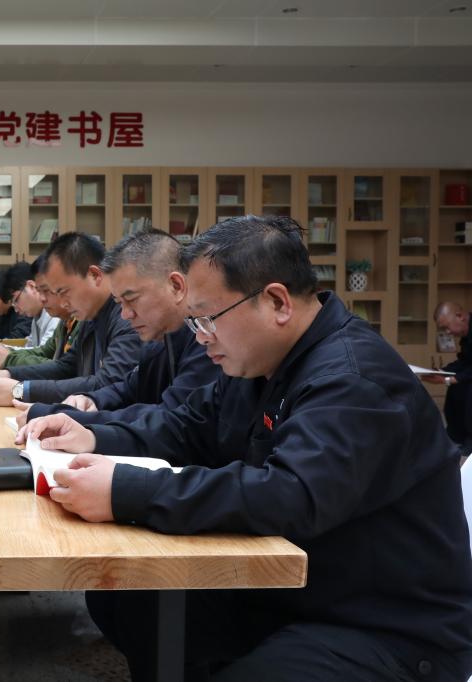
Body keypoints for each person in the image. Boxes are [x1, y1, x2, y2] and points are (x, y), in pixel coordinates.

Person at [24, 215, 472, 682]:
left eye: (207, 318)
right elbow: (185, 424)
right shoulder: (260, 362)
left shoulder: (353, 379)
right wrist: (91, 433)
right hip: (299, 589)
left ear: (277, 301)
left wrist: (127, 490)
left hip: (384, 625)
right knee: (133, 598)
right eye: (193, 321)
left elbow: (288, 494)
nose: (200, 335)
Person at [16, 229, 219, 426]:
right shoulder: (159, 337)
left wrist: (72, 419)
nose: (125, 314)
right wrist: (92, 400)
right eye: (120, 303)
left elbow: (174, 418)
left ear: (176, 286)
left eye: (132, 299)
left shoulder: (206, 338)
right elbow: (128, 388)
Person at [0, 232, 141, 406]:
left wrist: (20, 390)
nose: (63, 303)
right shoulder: (91, 315)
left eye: (64, 292)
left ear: (94, 275)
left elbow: (106, 384)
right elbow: (66, 367)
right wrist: (10, 374)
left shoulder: (126, 317)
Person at [0, 258, 59, 367]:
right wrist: (0, 349)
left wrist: (8, 356)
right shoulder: (37, 316)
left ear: (31, 286)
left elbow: (47, 358)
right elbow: (33, 349)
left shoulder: (54, 314)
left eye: (16, 300)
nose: (16, 310)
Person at [429, 301, 472, 451]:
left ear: (459, 316)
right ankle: (455, 435)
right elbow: (465, 361)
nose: (447, 332)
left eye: (447, 327)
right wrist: (442, 372)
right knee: (456, 388)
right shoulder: (466, 335)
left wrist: (449, 379)